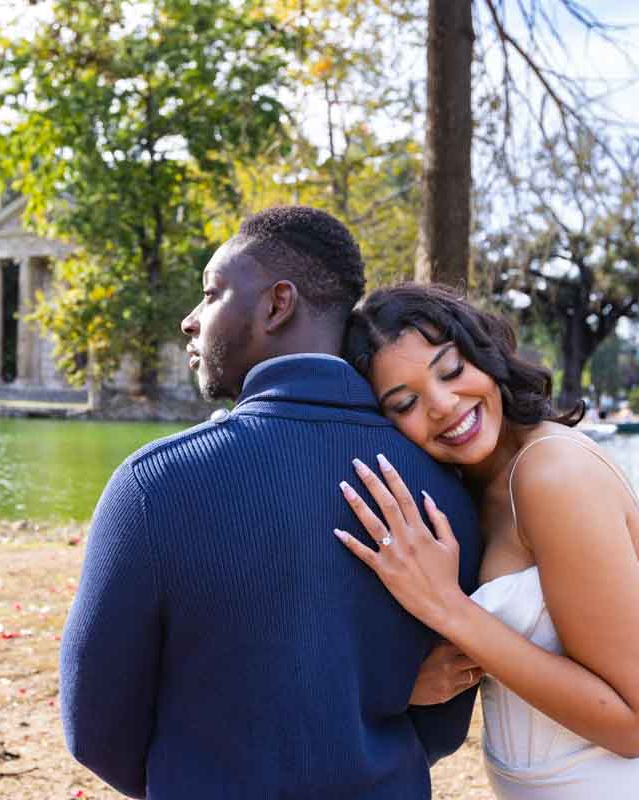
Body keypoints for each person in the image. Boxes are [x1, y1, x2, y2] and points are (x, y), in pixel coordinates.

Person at [60, 208, 483, 799]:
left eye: (210, 294)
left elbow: (94, 729)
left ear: (276, 305)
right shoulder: (447, 493)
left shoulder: (153, 487)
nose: (190, 320)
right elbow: (440, 723)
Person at [335, 283, 639, 799]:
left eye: (452, 370)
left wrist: (448, 607)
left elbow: (631, 722)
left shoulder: (553, 474)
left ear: (484, 354)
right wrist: (412, 680)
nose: (441, 404)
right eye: (405, 402)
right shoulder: (470, 486)